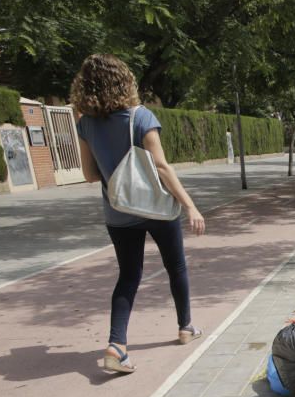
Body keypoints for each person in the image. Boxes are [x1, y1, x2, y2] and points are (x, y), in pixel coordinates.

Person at [72, 54, 206, 374]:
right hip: (157, 208)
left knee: (129, 276)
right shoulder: (141, 117)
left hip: (118, 211)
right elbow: (160, 167)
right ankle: (185, 327)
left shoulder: (85, 124)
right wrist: (190, 205)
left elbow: (90, 175)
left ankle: (117, 345)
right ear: (124, 80)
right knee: (176, 266)